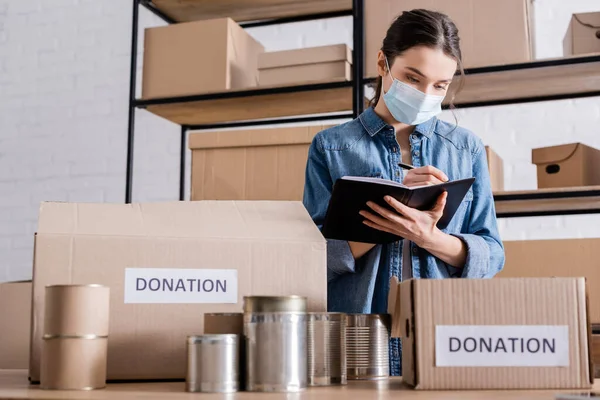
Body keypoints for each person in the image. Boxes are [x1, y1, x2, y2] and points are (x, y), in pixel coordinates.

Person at [302, 9, 505, 376]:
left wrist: (428, 236)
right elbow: (309, 260)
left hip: (444, 335)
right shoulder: (330, 147)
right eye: (413, 78)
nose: (425, 95)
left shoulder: (466, 149)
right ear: (383, 63)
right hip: (358, 336)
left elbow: (492, 254)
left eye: (439, 86)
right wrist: (386, 219)